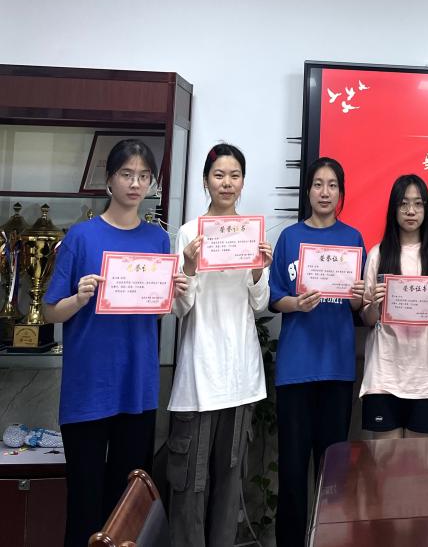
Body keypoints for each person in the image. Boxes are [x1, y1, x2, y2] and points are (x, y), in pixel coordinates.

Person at [44, 139, 187, 546]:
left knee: (127, 510)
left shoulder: (158, 240)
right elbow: (51, 311)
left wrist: (169, 295)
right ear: (109, 180)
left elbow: (154, 315)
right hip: (88, 390)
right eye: (127, 174)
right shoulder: (81, 237)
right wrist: (79, 298)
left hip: (136, 389)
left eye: (144, 176)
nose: (135, 183)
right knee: (85, 506)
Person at [168, 143, 272, 546]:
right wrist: (189, 267)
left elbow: (259, 305)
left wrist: (259, 272)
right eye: (219, 175)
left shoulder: (252, 234)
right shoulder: (189, 233)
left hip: (240, 375)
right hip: (199, 372)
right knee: (190, 484)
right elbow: (180, 308)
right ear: (206, 180)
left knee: (231, 483)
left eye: (234, 175)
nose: (226, 183)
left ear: (243, 182)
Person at [269, 157, 366, 546]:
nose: (325, 192)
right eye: (318, 184)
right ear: (307, 190)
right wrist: (296, 303)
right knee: (292, 473)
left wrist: (359, 297)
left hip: (337, 368)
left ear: (341, 193)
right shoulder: (289, 238)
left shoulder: (353, 238)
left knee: (333, 476)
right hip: (296, 369)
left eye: (332, 185)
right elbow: (274, 297)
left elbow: (357, 304)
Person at [358, 174, 428, 438]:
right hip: (384, 374)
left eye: (418, 203)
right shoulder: (378, 253)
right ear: (394, 209)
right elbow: (368, 318)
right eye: (403, 204)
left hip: (426, 377)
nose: (411, 211)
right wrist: (375, 305)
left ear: (427, 209)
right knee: (385, 460)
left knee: (421, 461)